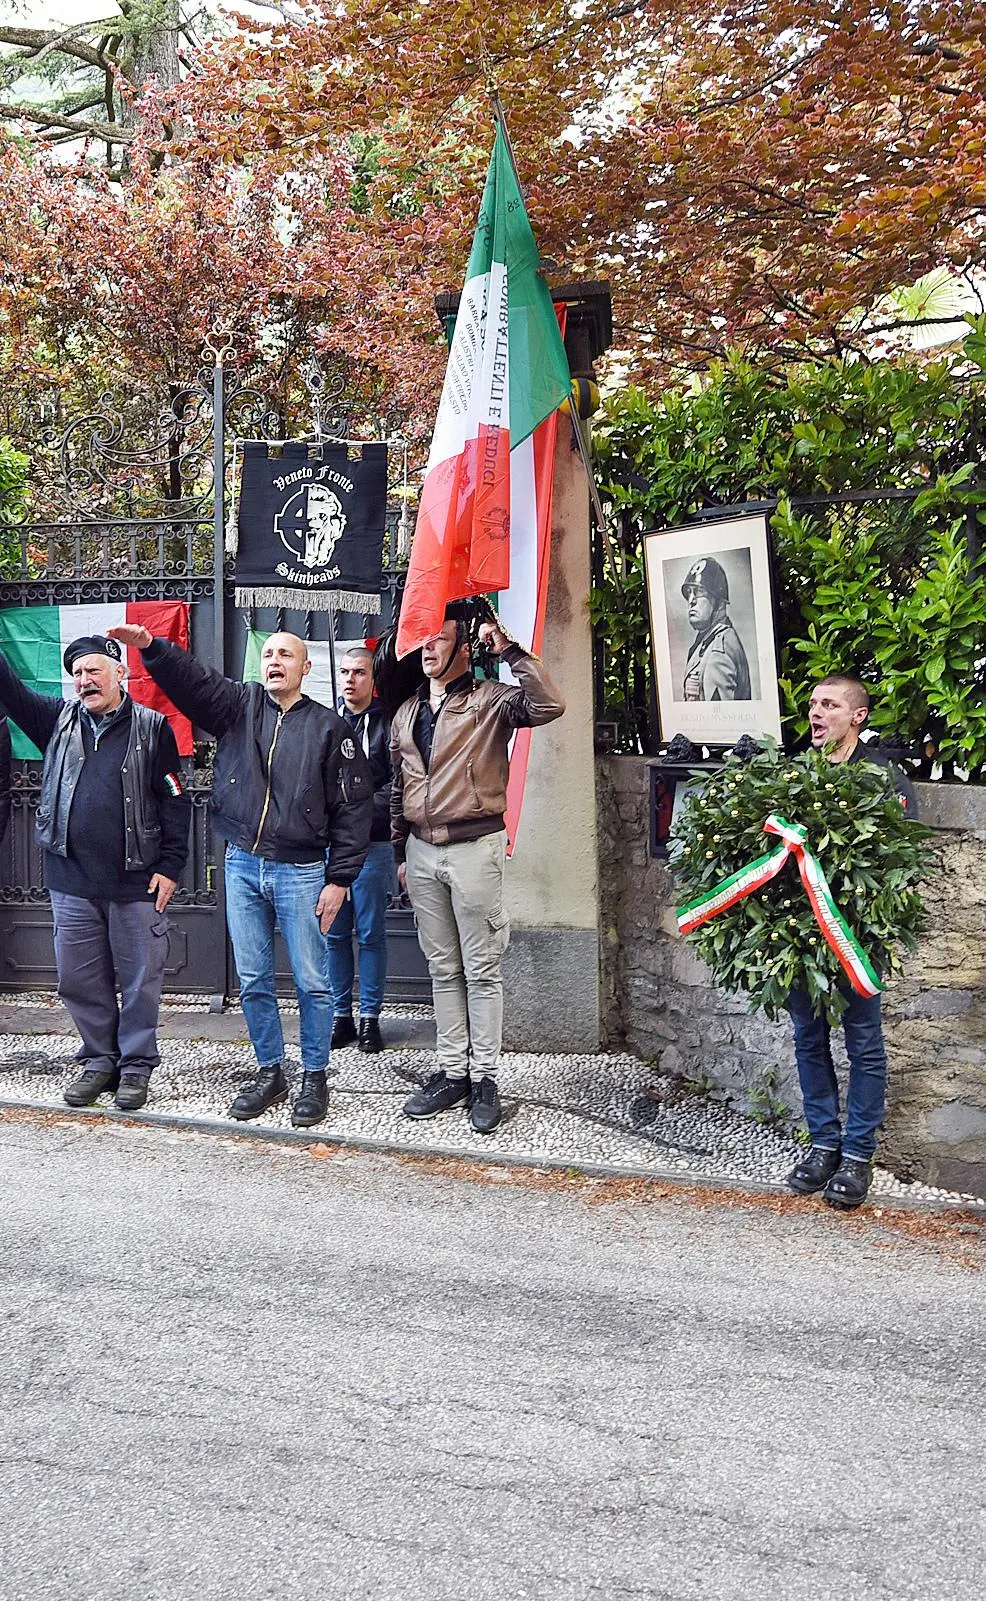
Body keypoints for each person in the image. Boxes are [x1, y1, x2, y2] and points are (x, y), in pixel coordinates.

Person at [107, 625, 373, 1130]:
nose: (274, 661)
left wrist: (339, 878)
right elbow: (194, 682)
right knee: (252, 978)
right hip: (242, 864)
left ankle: (315, 1075)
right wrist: (151, 648)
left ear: (306, 668)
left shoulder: (330, 728)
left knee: (313, 982)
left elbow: (353, 809)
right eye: (268, 654)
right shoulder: (238, 706)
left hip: (302, 871)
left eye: (286, 655)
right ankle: (270, 1069)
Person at [389, 604, 565, 1134]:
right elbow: (400, 786)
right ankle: (452, 1072)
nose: (428, 648)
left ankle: (485, 1078)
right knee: (442, 969)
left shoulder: (490, 702)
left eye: (439, 639)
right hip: (421, 852)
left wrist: (509, 649)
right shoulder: (406, 711)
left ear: (464, 648)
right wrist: (400, 853)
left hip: (474, 847)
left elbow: (549, 703)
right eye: (423, 639)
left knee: (481, 969)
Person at [0, 635, 190, 1111]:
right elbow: (11, 690)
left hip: (134, 882)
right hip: (71, 881)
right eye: (78, 674)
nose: (85, 681)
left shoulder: (153, 727)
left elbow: (173, 798)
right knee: (79, 981)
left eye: (94, 671)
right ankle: (100, 1061)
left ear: (119, 672)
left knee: (140, 981)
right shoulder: (55, 720)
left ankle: (136, 1066)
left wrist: (170, 866)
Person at [786, 674, 918, 1211]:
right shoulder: (793, 775)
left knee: (864, 1045)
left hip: (857, 938)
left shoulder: (885, 776)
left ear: (857, 716)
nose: (816, 713)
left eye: (830, 705)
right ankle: (823, 1144)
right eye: (814, 704)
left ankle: (858, 1155)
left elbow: (903, 860)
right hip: (799, 937)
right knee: (807, 1038)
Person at [327, 645, 393, 1054]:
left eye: (359, 673)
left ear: (372, 679)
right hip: (330, 847)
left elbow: (397, 782)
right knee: (334, 934)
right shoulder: (325, 721)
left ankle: (370, 1018)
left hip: (373, 842)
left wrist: (361, 816)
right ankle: (341, 1016)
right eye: (345, 672)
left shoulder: (389, 722)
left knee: (370, 933)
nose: (350, 679)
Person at [680, 556, 752, 702]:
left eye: (699, 592)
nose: (691, 600)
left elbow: (720, 719)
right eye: (689, 593)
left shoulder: (719, 652)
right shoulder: (708, 641)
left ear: (718, 602)